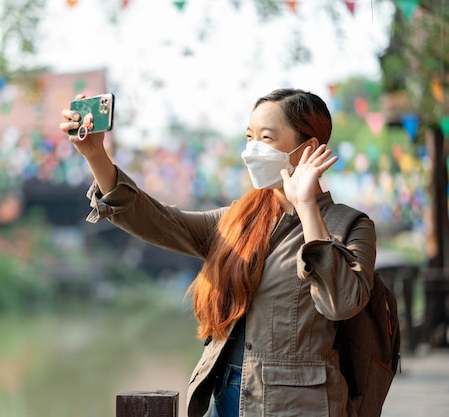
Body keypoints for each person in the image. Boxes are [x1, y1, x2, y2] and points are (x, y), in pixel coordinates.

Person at [59, 88, 376, 417]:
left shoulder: (350, 225)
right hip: (225, 400)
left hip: (298, 408)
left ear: (308, 149)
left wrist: (307, 205)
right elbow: (157, 220)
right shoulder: (237, 221)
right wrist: (95, 154)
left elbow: (340, 302)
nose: (251, 151)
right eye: (249, 137)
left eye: (266, 138)